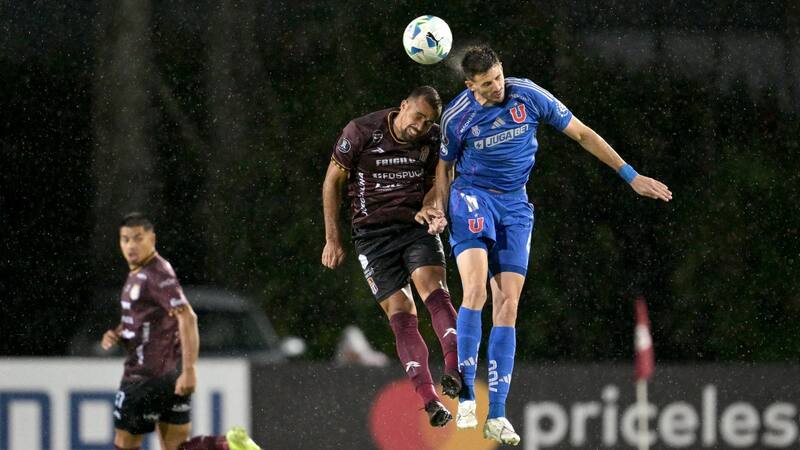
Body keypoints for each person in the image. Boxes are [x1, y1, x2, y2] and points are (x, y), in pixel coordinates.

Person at [434, 45, 673, 445]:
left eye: (498, 77)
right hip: (472, 195)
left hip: (514, 203)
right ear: (469, 84)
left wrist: (630, 175)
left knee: (508, 303)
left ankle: (497, 413)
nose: (497, 87)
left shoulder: (527, 94)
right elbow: (444, 166)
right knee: (475, 289)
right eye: (487, 83)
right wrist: (441, 209)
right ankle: (466, 399)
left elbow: (581, 133)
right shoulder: (458, 117)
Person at [321, 86, 461, 427]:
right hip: (372, 238)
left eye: (429, 121)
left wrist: (431, 205)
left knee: (434, 290)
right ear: (402, 106)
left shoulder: (433, 139)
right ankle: (430, 400)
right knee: (401, 313)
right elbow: (331, 184)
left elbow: (443, 177)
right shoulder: (361, 132)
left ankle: (455, 370)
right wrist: (332, 239)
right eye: (418, 116)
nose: (421, 126)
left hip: (415, 226)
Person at [101, 212, 261, 450]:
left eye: (138, 238)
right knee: (176, 447)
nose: (131, 246)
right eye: (125, 239)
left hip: (145, 377)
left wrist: (190, 370)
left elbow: (187, 317)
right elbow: (147, 320)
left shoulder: (155, 273)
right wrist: (120, 333)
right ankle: (225, 445)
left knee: (125, 443)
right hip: (169, 376)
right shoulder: (141, 274)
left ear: (152, 239)